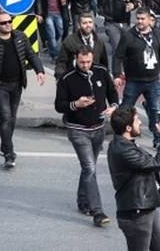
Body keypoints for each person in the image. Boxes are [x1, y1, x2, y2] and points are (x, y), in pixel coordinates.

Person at [54, 45, 119, 227]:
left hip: (98, 128)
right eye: (82, 62)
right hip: (78, 129)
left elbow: (112, 93)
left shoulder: (101, 72)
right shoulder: (67, 78)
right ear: (76, 59)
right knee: (90, 168)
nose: (85, 65)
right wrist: (76, 104)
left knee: (89, 167)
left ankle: (83, 200)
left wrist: (113, 106)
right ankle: (97, 211)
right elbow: (59, 105)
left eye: (88, 62)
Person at [0, 11, 46, 169]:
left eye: (9, 21)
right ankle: (9, 153)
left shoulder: (20, 37)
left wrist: (39, 70)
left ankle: (4, 144)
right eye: (3, 23)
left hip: (17, 84)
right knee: (5, 117)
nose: (7, 25)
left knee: (12, 118)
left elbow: (31, 55)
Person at [107, 106, 160, 251]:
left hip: (146, 206)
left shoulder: (125, 143)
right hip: (136, 211)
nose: (140, 123)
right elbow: (158, 163)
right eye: (137, 121)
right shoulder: (124, 150)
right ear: (128, 128)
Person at [114, 8, 160, 148]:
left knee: (156, 110)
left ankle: (158, 138)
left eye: (142, 19)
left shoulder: (156, 33)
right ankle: (121, 136)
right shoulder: (128, 35)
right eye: (137, 19)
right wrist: (116, 74)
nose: (139, 21)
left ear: (149, 19)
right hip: (134, 80)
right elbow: (118, 56)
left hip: (153, 80)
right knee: (126, 110)